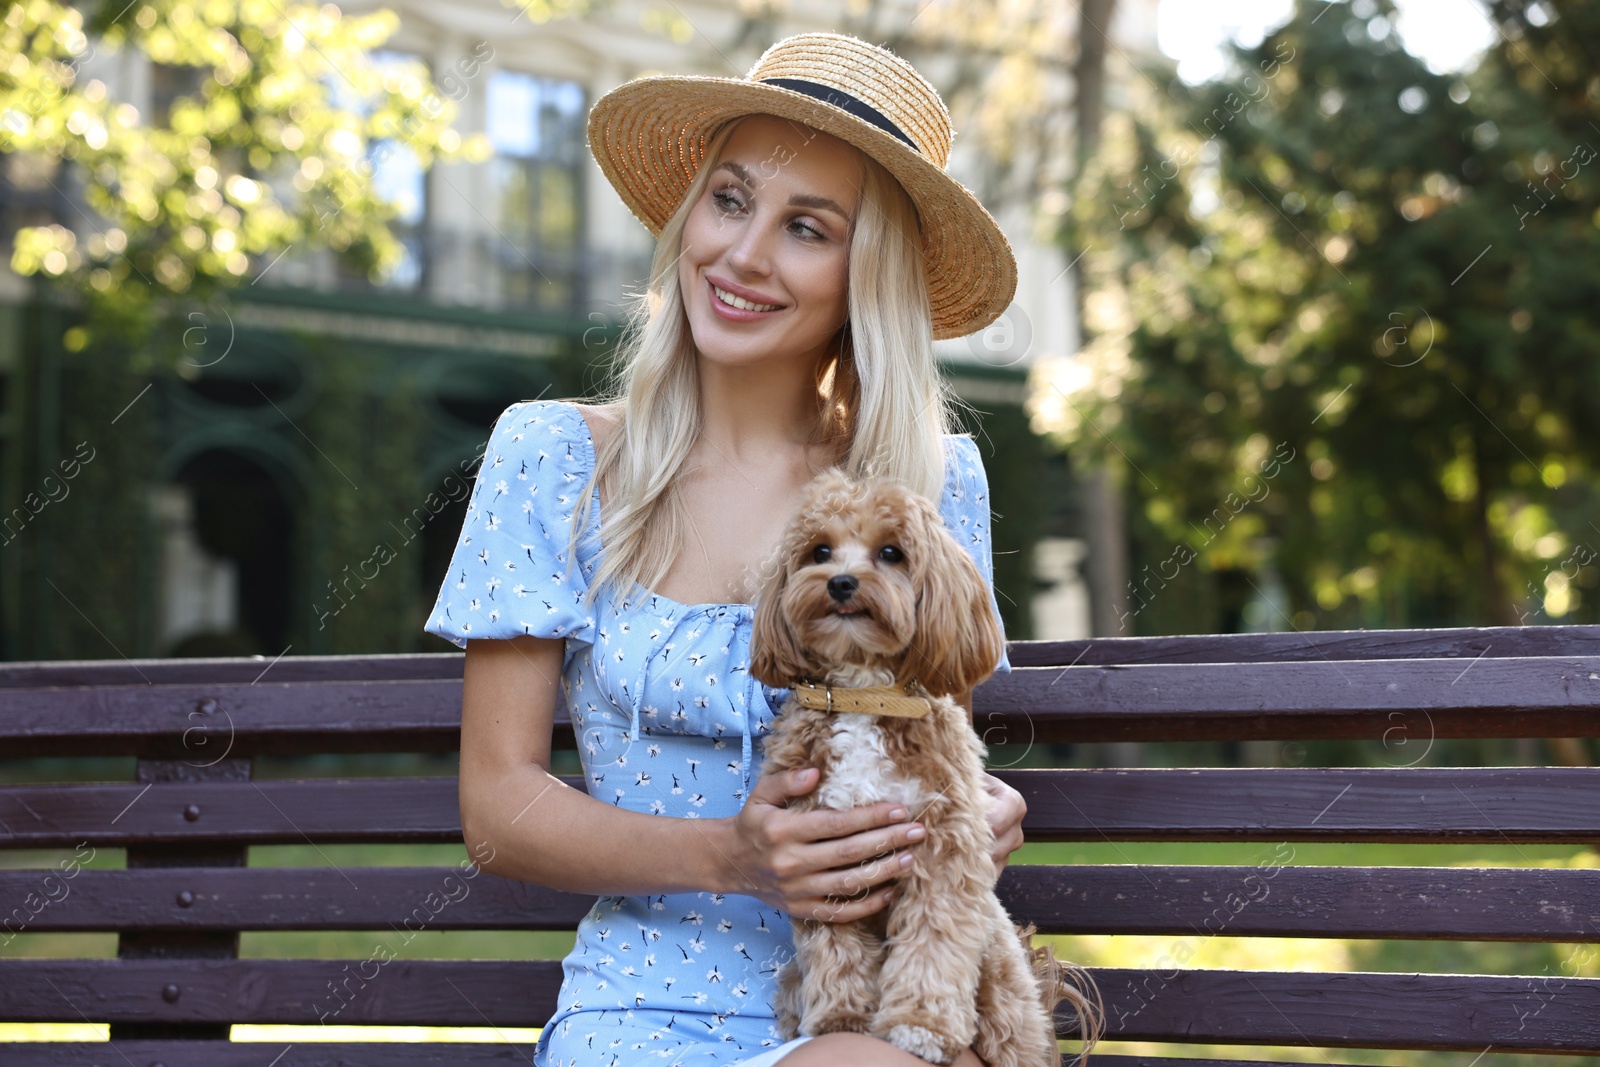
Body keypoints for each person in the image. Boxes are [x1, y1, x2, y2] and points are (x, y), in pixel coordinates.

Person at [425, 31, 1035, 1067]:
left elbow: (928, 735)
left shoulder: (930, 484)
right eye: (729, 199)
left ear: (866, 274)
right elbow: (497, 806)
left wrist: (969, 811)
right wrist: (734, 854)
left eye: (806, 227)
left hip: (870, 1011)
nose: (743, 254)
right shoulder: (551, 457)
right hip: (639, 1011)